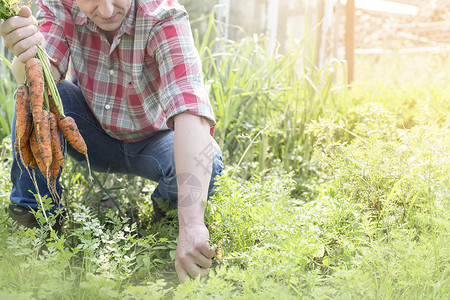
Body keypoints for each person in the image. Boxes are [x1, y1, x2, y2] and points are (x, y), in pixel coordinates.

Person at [0, 0, 223, 283]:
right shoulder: (61, 4)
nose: (105, 11)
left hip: (153, 143)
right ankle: (34, 218)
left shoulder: (163, 17)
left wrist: (192, 224)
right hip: (88, 130)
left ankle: (165, 222)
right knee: (33, 98)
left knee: (209, 159)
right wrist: (25, 53)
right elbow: (38, 78)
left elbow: (190, 108)